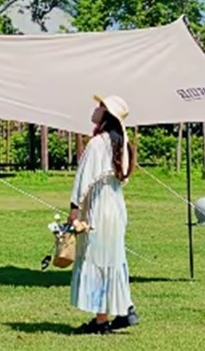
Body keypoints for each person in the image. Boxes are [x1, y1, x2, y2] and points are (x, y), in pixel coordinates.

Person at [68, 94, 139, 336]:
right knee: (113, 259)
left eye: (100, 107)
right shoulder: (122, 144)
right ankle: (124, 309)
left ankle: (101, 320)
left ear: (106, 114)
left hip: (98, 207)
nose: (95, 109)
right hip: (115, 206)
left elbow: (84, 178)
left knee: (98, 260)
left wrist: (74, 208)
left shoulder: (98, 144)